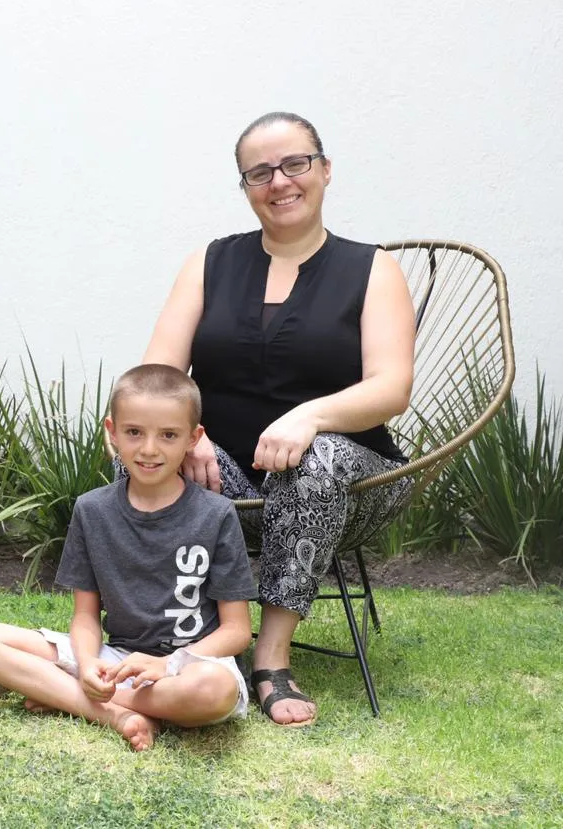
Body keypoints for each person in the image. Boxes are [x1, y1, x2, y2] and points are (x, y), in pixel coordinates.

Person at [141, 111, 415, 726]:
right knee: (144, 448)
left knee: (313, 460)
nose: (280, 181)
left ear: (324, 170)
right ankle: (163, 629)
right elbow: (157, 377)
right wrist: (194, 434)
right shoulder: (210, 263)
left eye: (295, 163)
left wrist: (310, 417)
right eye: (260, 171)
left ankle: (269, 656)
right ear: (245, 187)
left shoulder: (372, 271)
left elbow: (392, 388)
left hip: (352, 479)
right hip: (228, 473)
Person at [0, 365, 256, 751]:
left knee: (212, 691)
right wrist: (87, 665)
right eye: (134, 432)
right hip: (115, 659)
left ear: (193, 438)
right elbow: (85, 616)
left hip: (190, 664)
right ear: (112, 431)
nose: (149, 449)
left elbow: (235, 632)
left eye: (168, 435)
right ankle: (116, 714)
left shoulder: (216, 513)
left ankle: (72, 698)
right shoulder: (92, 510)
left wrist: (168, 665)